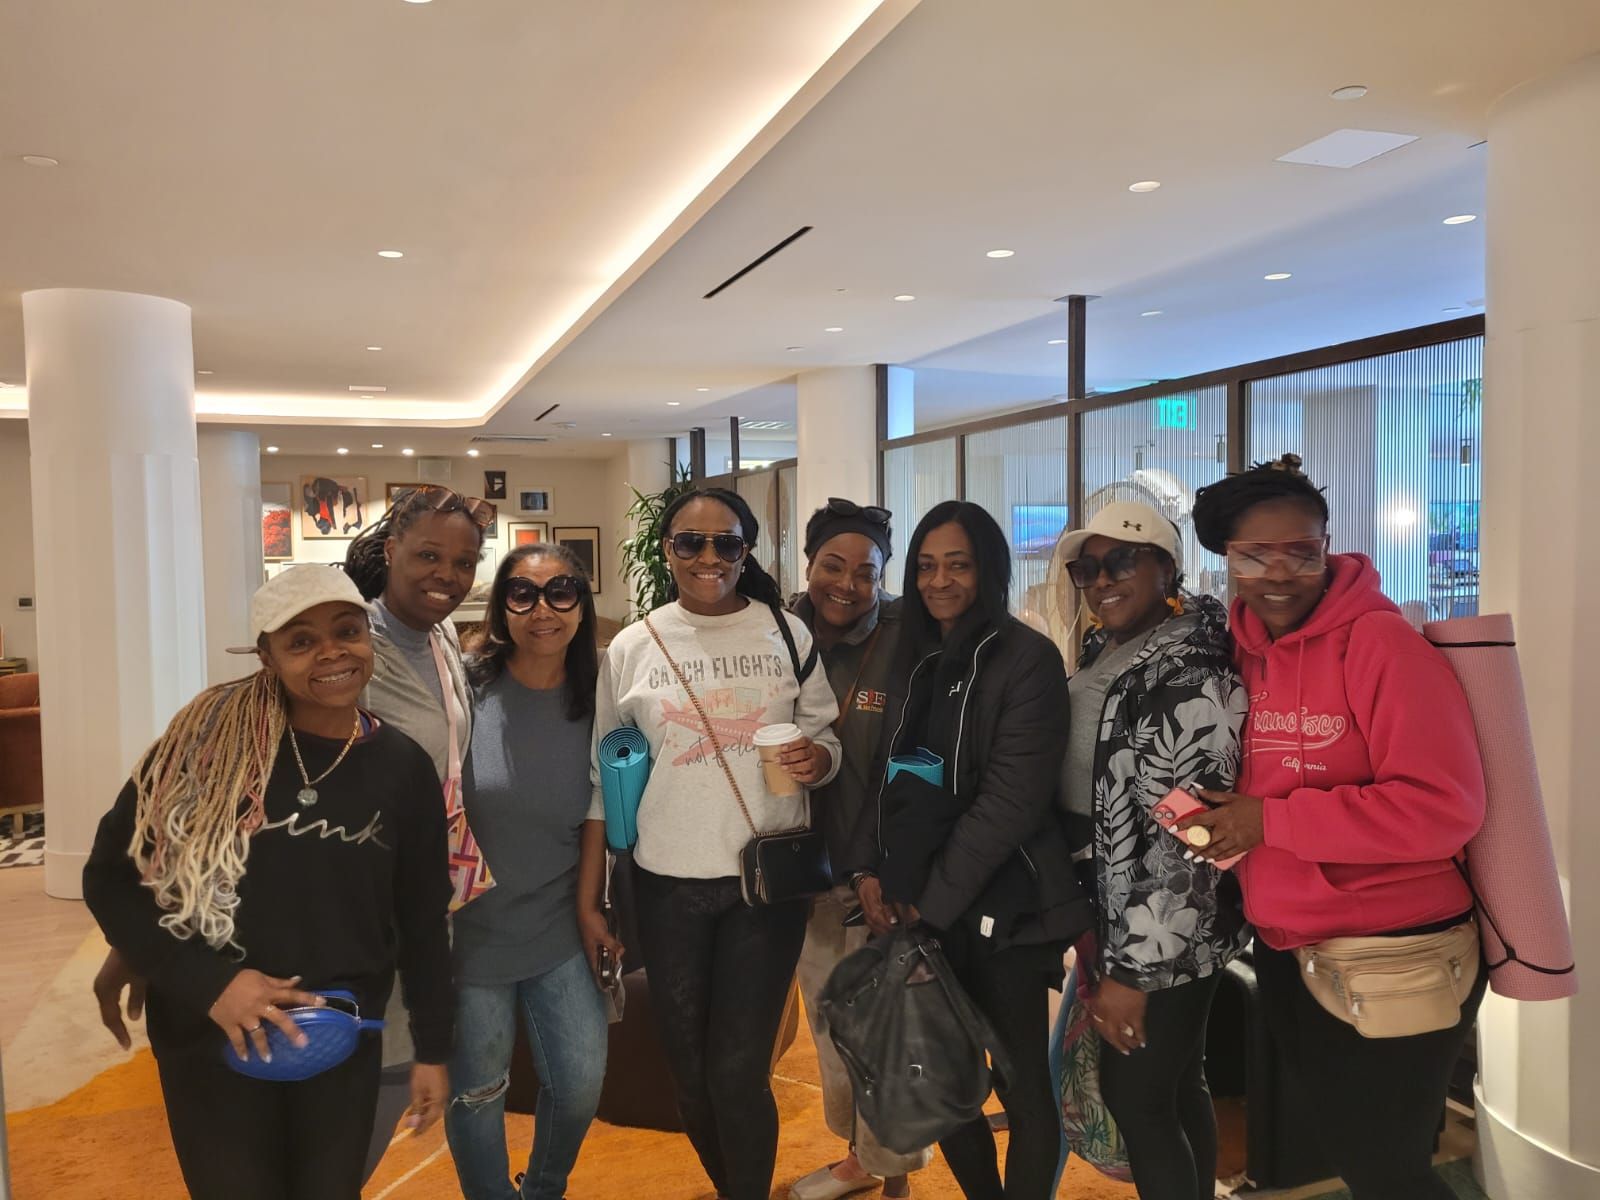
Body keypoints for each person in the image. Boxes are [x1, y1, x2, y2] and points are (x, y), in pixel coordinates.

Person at [90, 483, 494, 1183]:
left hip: (340, 1037)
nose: (330, 653)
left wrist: (432, 1047)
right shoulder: (204, 749)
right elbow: (111, 876)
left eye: (346, 630)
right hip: (210, 1033)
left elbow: (422, 921)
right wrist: (208, 983)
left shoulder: (398, 765)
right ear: (267, 656)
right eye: (301, 641)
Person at [1184, 455, 1487, 1200]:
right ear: (1227, 560)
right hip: (1289, 942)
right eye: (1255, 554)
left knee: (1387, 1169)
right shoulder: (1238, 651)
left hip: (1392, 947)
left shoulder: (1380, 644)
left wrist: (1270, 821)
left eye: (1302, 551)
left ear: (1328, 546)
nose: (1280, 572)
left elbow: (1441, 808)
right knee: (1356, 1157)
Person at [590, 486, 843, 1200]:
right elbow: (611, 759)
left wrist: (818, 760)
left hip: (764, 885)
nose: (708, 557)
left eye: (725, 543)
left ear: (746, 551)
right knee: (691, 1077)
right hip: (666, 882)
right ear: (667, 552)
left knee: (737, 1071)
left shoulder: (786, 633)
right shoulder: (635, 645)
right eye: (690, 543)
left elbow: (824, 734)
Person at [871, 499, 1094, 1200]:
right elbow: (882, 778)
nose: (940, 581)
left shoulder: (1024, 658)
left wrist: (929, 905)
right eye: (927, 566)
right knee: (945, 1080)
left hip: (1006, 909)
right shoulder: (908, 653)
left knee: (1021, 1086)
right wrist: (872, 875)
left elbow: (1009, 803)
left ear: (988, 570)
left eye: (958, 565)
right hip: (918, 901)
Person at [1049, 502, 1249, 1200]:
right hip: (1122, 908)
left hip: (1166, 924)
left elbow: (1193, 840)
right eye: (1087, 567)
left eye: (1121, 561)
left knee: (1137, 1099)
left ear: (1166, 566)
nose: (1100, 580)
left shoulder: (1190, 670)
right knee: (1172, 1083)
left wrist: (1135, 969)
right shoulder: (1113, 647)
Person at [446, 542, 611, 1200]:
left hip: (558, 928)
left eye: (561, 591)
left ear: (582, 603)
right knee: (478, 1094)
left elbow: (601, 809)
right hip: (470, 934)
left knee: (579, 1087)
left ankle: (543, 1189)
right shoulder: (464, 687)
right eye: (523, 594)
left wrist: (591, 908)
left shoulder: (602, 692)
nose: (543, 609)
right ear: (502, 606)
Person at [787, 498, 931, 1200]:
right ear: (807, 563)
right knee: (831, 1032)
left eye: (865, 572)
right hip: (805, 874)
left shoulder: (912, 638)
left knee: (888, 1035)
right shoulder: (780, 633)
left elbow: (926, 763)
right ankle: (861, 1156)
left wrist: (892, 866)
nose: (846, 584)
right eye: (831, 566)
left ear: (884, 576)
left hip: (881, 877)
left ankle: (890, 1172)